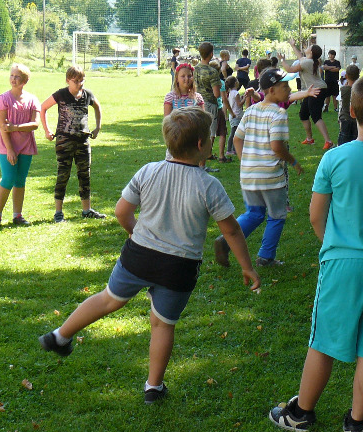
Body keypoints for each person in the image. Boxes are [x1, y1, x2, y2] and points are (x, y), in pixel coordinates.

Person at [38, 107, 259, 403]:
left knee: (108, 299)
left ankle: (59, 336)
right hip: (178, 267)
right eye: (209, 138)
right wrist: (247, 267)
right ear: (200, 145)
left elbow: (122, 211)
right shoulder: (209, 185)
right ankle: (153, 387)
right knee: (162, 324)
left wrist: (135, 234)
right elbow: (231, 231)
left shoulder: (148, 171)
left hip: (138, 255)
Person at [268, 74, 363, 432]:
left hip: (342, 264)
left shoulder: (334, 158)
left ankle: (300, 413)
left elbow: (316, 215)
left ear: (350, 112)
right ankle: (357, 423)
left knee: (325, 339)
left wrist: (333, 244)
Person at [214, 68, 304, 269]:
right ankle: (266, 257)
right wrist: (293, 162)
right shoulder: (278, 114)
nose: (289, 89)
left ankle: (225, 241)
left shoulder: (251, 110)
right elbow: (277, 146)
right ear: (271, 90)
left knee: (254, 213)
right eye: (284, 86)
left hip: (249, 176)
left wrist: (245, 162)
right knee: (277, 215)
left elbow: (237, 139)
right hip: (271, 177)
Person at [40, 65, 105, 222]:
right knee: (63, 175)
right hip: (65, 142)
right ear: (67, 80)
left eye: (82, 80)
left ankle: (86, 210)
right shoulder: (61, 94)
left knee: (85, 175)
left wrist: (97, 127)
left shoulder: (87, 95)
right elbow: (43, 107)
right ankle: (58, 213)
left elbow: (97, 107)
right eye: (75, 81)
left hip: (83, 142)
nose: (79, 83)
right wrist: (47, 130)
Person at [0, 64, 40, 229]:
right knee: (8, 178)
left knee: (20, 180)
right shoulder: (3, 99)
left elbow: (35, 124)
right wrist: (10, 149)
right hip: (7, 146)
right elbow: (3, 126)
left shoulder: (32, 100)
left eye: (17, 76)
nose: (13, 79)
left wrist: (16, 128)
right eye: (12, 75)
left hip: (26, 146)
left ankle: (17, 215)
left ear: (25, 80)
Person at [289, 44, 333, 150]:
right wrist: (293, 46)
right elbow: (300, 57)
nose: (307, 47)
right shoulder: (308, 60)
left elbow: (290, 70)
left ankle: (328, 141)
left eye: (309, 47)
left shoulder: (307, 62)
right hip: (311, 90)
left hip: (317, 89)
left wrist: (281, 60)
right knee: (303, 114)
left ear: (311, 52)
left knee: (316, 116)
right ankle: (309, 139)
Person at [195, 42, 227, 165]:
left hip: (196, 103)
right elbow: (217, 94)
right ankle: (203, 164)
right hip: (209, 104)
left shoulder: (195, 68)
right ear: (211, 54)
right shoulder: (212, 72)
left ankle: (198, 161)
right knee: (209, 134)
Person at [337, 64, 361, 146]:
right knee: (355, 141)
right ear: (358, 76)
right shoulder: (361, 90)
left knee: (343, 142)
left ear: (346, 76)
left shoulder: (344, 89)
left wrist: (339, 118)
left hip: (345, 118)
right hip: (357, 119)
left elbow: (341, 104)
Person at [225, 75, 244, 154]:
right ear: (236, 83)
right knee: (234, 133)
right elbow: (239, 104)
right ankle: (229, 149)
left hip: (233, 115)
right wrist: (245, 98)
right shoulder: (236, 93)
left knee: (235, 133)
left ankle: (234, 149)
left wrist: (241, 98)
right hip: (236, 115)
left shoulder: (230, 93)